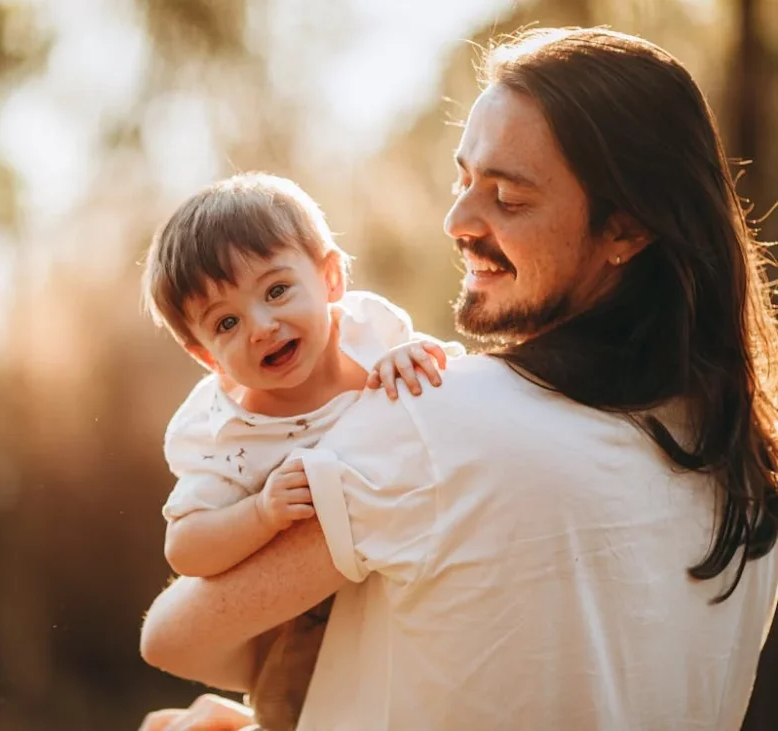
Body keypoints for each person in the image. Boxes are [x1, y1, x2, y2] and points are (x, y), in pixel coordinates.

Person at [139, 27, 778, 730]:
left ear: (624, 230)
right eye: (463, 177)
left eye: (506, 197)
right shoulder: (744, 461)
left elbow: (173, 635)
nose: (456, 219)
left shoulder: (430, 413)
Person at [140, 171, 460, 730]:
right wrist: (260, 512)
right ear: (207, 357)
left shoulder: (371, 336)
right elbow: (185, 548)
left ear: (330, 277)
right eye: (228, 322)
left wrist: (409, 355)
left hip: (399, 577)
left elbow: (442, 388)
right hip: (303, 619)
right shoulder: (231, 436)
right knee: (295, 711)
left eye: (277, 290)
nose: (262, 326)